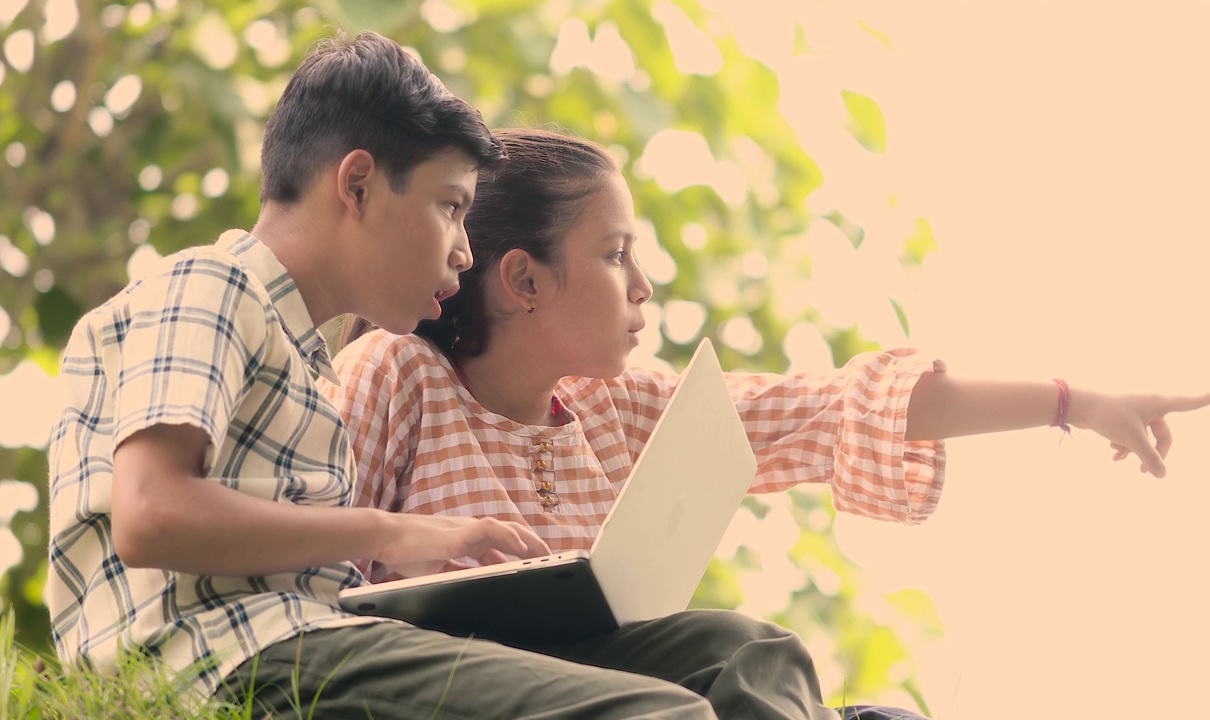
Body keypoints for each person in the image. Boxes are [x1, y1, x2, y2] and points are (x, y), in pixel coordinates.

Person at [323, 127, 1210, 717]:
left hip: (614, 684)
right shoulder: (397, 374)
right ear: (522, 281)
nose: (643, 287)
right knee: (743, 656)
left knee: (762, 657)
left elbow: (845, 407)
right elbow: (301, 572)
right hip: (455, 686)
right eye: (614, 255)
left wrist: (1071, 403)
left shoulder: (616, 409)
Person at [43, 32, 792, 720]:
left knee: (736, 651)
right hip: (227, 655)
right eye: (449, 207)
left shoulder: (302, 360)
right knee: (661, 714)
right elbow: (148, 516)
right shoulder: (210, 285)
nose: (465, 252)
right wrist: (404, 533)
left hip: (311, 637)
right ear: (359, 185)